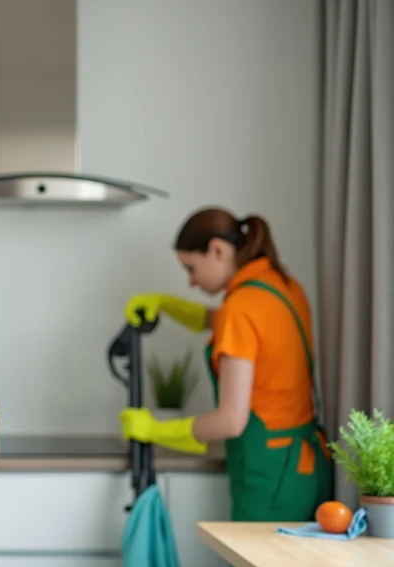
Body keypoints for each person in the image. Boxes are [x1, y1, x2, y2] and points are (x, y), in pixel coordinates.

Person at [119, 207, 333, 522]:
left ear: (217, 250)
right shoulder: (282, 286)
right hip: (306, 467)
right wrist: (167, 305)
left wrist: (154, 429)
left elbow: (230, 421)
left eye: (190, 268)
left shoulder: (240, 308)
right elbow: (225, 321)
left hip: (268, 475)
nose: (191, 282)